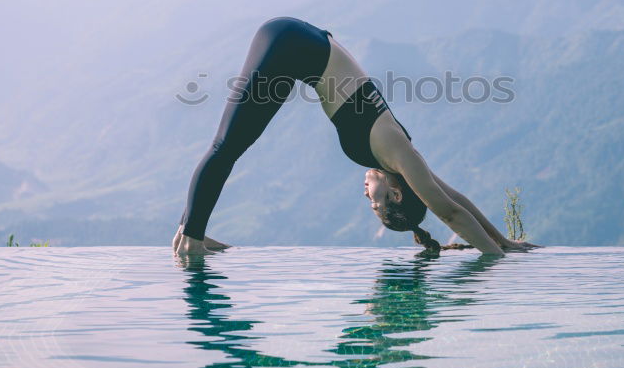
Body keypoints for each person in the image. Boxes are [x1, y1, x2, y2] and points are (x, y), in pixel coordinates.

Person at [173, 16, 540, 256]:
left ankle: (194, 231)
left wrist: (503, 240)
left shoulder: (400, 161)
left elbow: (453, 197)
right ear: (396, 192)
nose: (366, 195)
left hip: (300, 45)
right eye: (375, 203)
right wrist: (498, 259)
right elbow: (450, 211)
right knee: (227, 146)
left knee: (230, 146)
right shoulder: (398, 154)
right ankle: (190, 236)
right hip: (292, 46)